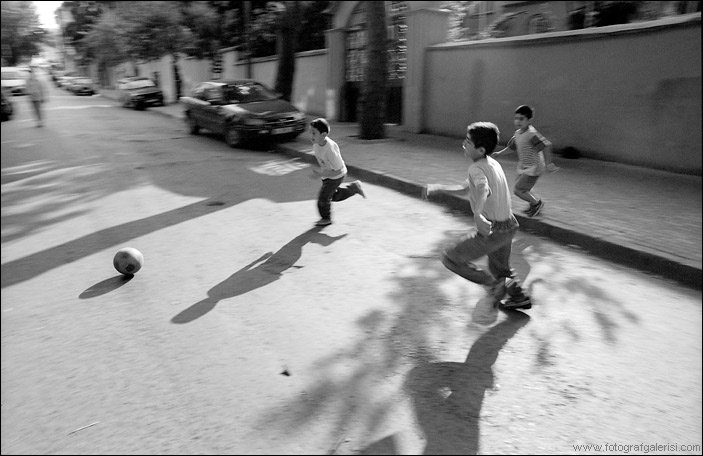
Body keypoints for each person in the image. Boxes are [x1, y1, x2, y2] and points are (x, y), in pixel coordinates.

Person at [423, 122, 532, 310]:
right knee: (501, 269)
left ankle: (492, 286)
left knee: (450, 258)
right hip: (509, 225)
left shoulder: (476, 169)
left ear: (480, 149)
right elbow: (467, 188)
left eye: (467, 142)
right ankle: (518, 297)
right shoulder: (491, 163)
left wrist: (478, 215)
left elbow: (483, 189)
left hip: (493, 229)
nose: (463, 145)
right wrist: (440, 188)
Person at [493, 105, 558, 217]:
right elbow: (511, 147)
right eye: (516, 118)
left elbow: (546, 146)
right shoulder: (518, 133)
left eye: (521, 119)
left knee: (518, 190)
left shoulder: (531, 135)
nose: (518, 121)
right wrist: (499, 154)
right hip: (525, 166)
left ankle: (536, 204)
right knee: (523, 188)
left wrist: (549, 163)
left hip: (534, 168)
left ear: (529, 120)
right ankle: (534, 204)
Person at [309, 118, 366, 226]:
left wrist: (321, 173)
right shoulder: (316, 144)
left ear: (323, 134)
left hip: (337, 175)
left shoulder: (330, 149)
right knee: (333, 196)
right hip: (328, 175)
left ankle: (326, 218)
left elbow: (338, 170)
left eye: (313, 133)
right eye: (310, 132)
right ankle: (354, 188)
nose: (311, 136)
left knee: (323, 198)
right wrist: (322, 172)